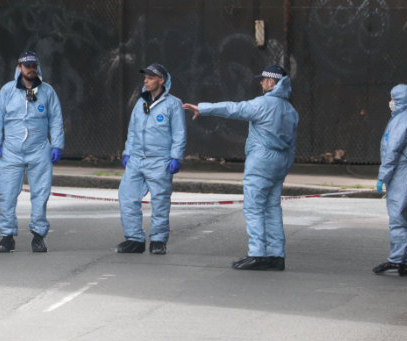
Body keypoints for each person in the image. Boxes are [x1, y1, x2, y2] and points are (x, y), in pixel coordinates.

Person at [183, 64, 298, 271]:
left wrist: (204, 108)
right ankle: (276, 255)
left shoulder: (262, 104)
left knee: (254, 208)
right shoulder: (291, 111)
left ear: (271, 82)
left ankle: (257, 253)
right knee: (272, 208)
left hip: (261, 161)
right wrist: (286, 165)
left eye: (263, 80)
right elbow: (292, 143)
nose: (261, 83)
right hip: (281, 162)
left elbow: (233, 109)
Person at [0, 50, 65, 253]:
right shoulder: (8, 91)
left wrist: (57, 145)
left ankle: (38, 236)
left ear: (37, 68)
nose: (31, 69)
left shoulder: (47, 92)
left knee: (40, 193)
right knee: (6, 194)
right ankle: (7, 236)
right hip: (11, 150)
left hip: (39, 149)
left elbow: (56, 120)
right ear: (19, 68)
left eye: (34, 65)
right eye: (27, 65)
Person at [118, 63, 187, 255]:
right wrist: (127, 152)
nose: (146, 81)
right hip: (137, 159)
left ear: (161, 81)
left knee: (160, 201)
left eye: (150, 78)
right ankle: (134, 239)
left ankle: (158, 239)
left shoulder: (173, 104)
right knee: (127, 197)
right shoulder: (141, 103)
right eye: (145, 78)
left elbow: (179, 133)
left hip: (160, 161)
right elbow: (132, 130)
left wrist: (175, 157)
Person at [373, 84, 407, 277]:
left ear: (401, 100)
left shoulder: (400, 122)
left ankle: (397, 259)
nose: (391, 102)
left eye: (393, 98)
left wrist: (382, 176)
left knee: (397, 217)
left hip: (401, 173)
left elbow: (393, 150)